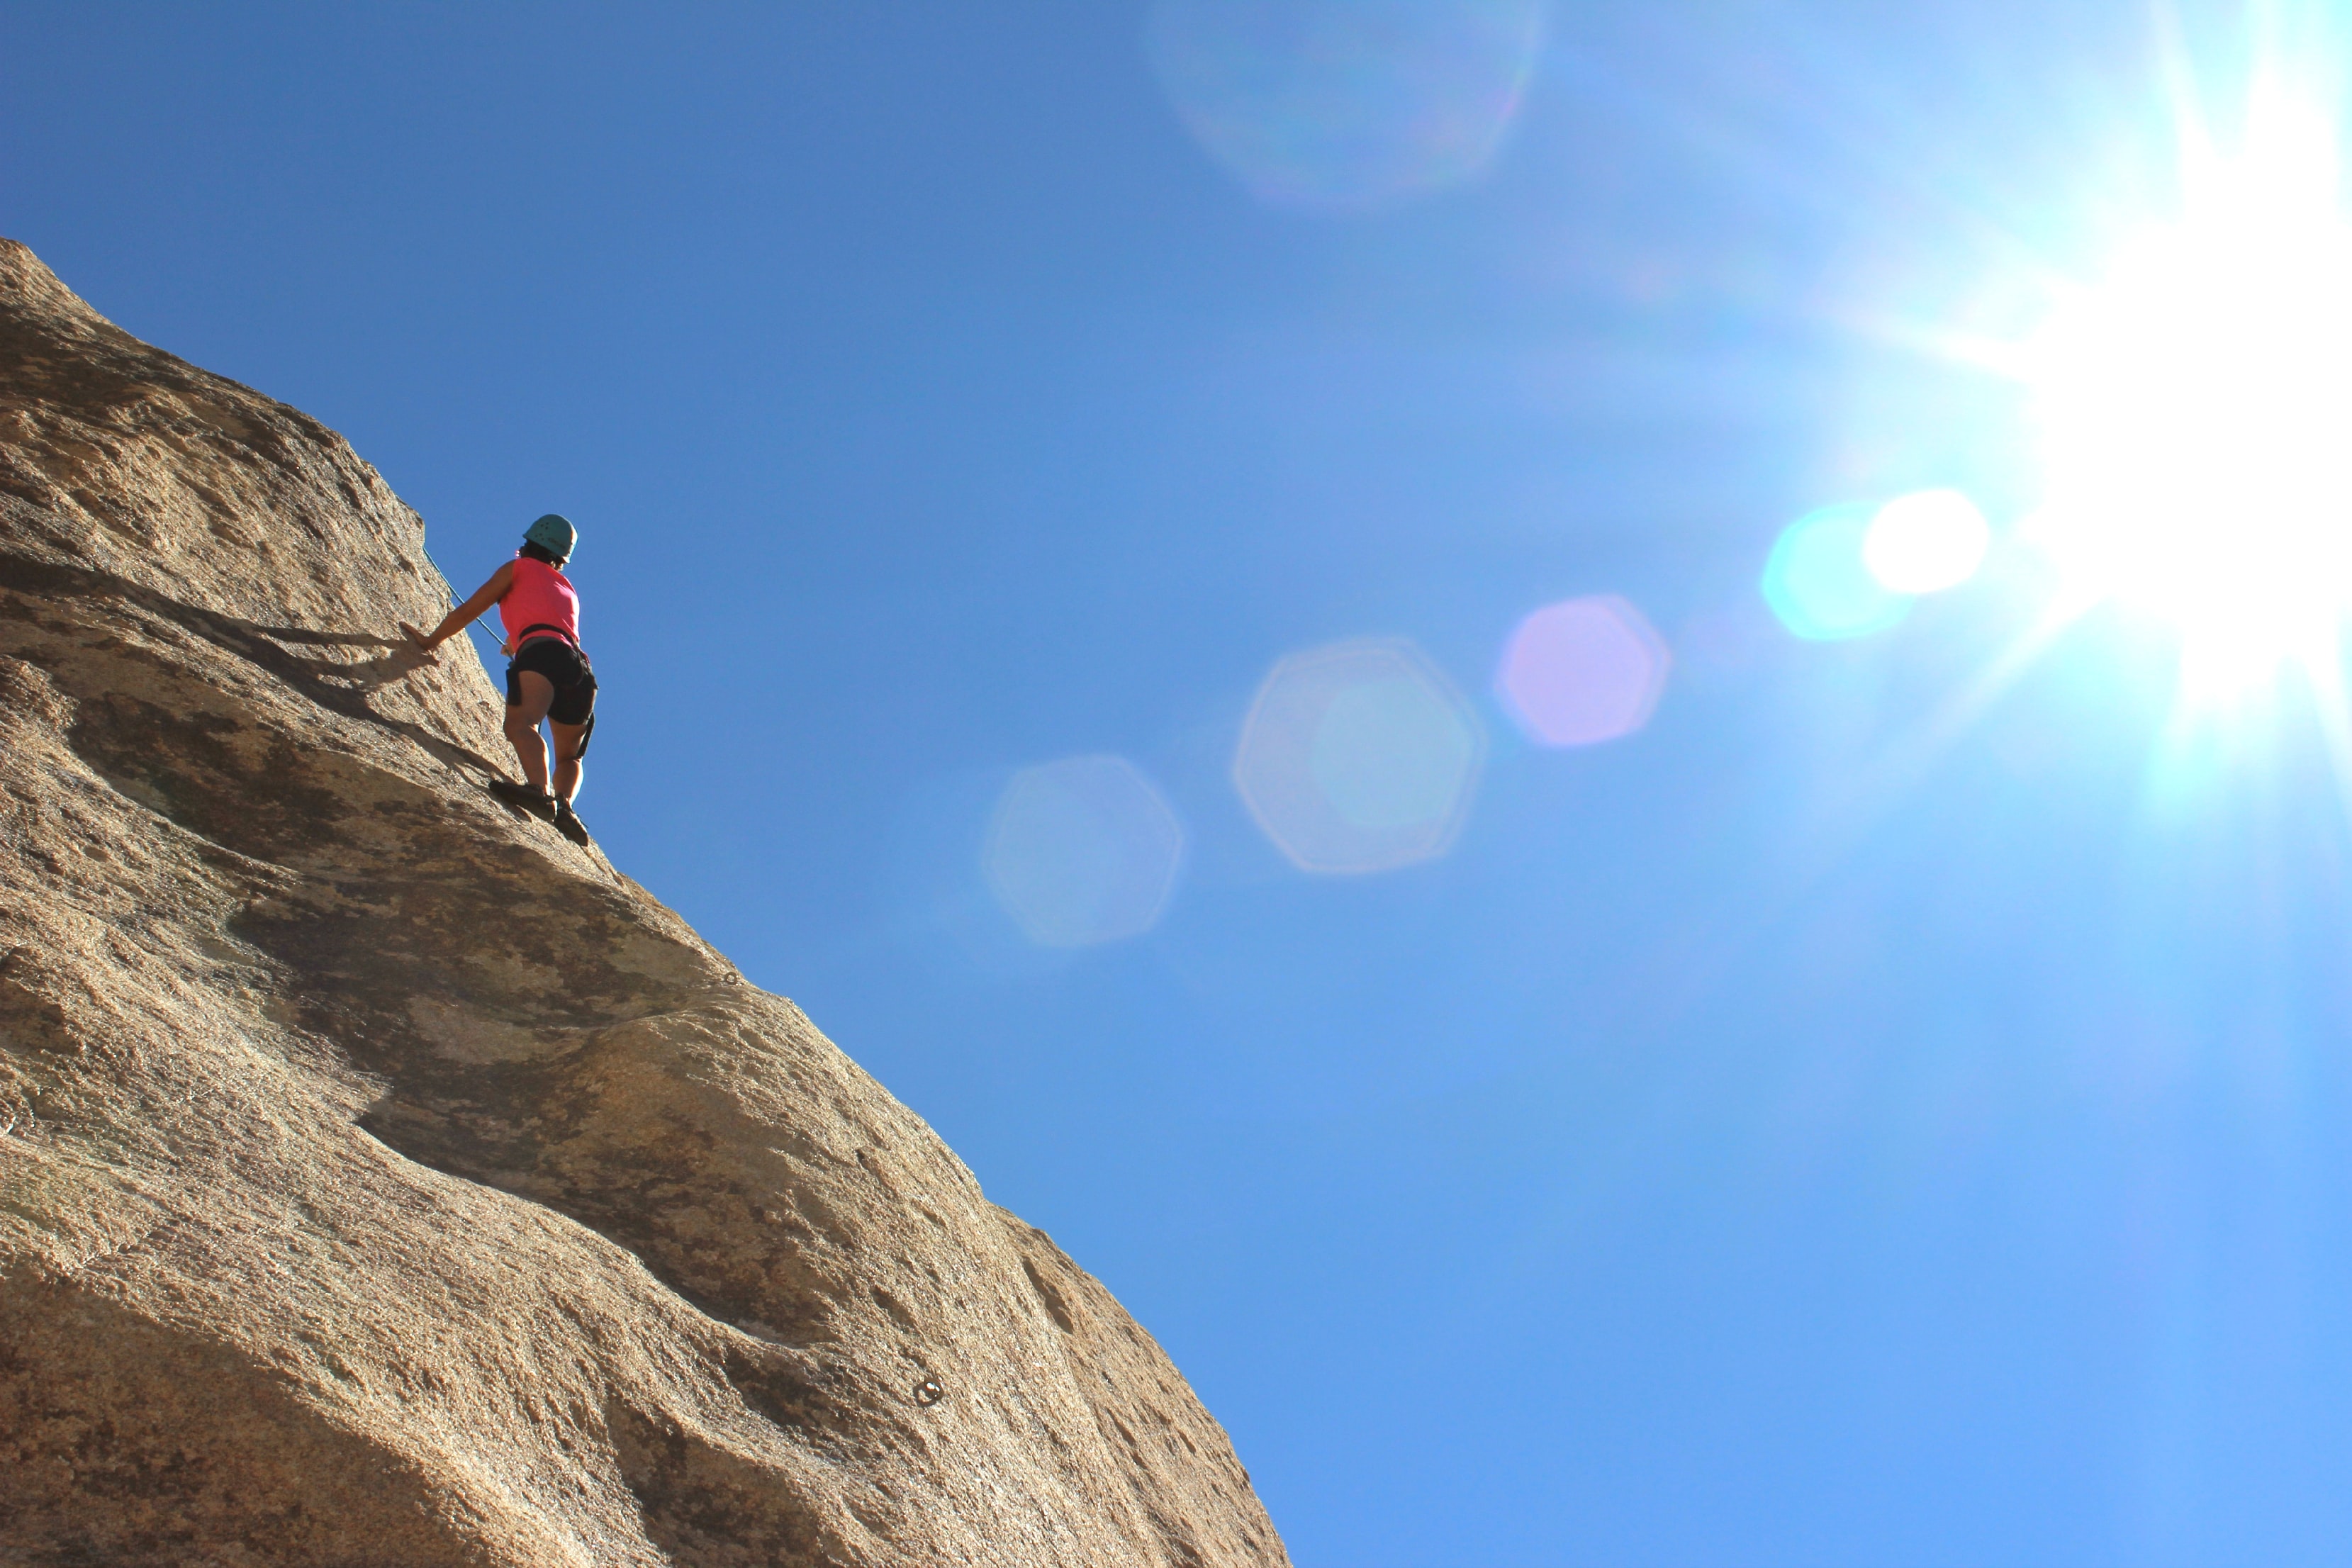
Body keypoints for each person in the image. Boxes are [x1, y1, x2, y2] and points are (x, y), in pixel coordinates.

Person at [403, 513, 598, 846]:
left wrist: (427, 642)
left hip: (542, 653)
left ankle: (539, 791)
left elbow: (468, 611)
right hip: (580, 670)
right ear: (562, 556)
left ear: (528, 542)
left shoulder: (516, 569)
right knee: (570, 757)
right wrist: (517, 641)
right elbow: (549, 621)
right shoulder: (567, 588)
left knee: (522, 725)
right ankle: (566, 807)